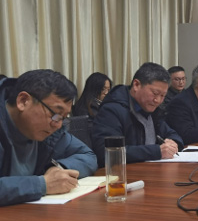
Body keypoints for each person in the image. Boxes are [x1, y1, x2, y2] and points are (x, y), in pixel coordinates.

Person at [0, 70, 98, 206]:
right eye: (55, 114)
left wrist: (57, 168)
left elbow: (88, 155)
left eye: (63, 118)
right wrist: (42, 184)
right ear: (23, 101)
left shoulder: (50, 132)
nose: (58, 125)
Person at [91, 62, 183, 165]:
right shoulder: (112, 110)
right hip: (124, 172)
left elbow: (172, 134)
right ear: (136, 85)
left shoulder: (153, 110)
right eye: (155, 93)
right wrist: (156, 151)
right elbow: (108, 152)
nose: (157, 100)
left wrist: (173, 143)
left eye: (163, 96)